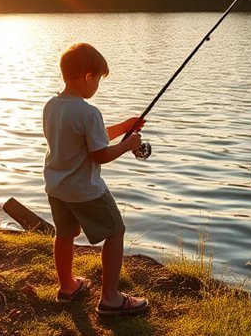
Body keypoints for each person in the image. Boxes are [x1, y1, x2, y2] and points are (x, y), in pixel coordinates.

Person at [42, 42, 150, 317]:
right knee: (116, 231)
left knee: (64, 234)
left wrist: (125, 128)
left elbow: (89, 137)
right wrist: (128, 144)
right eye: (99, 80)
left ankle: (67, 286)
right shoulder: (89, 112)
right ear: (88, 76)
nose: (97, 86)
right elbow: (99, 154)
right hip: (85, 190)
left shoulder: (52, 106)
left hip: (57, 187)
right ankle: (111, 298)